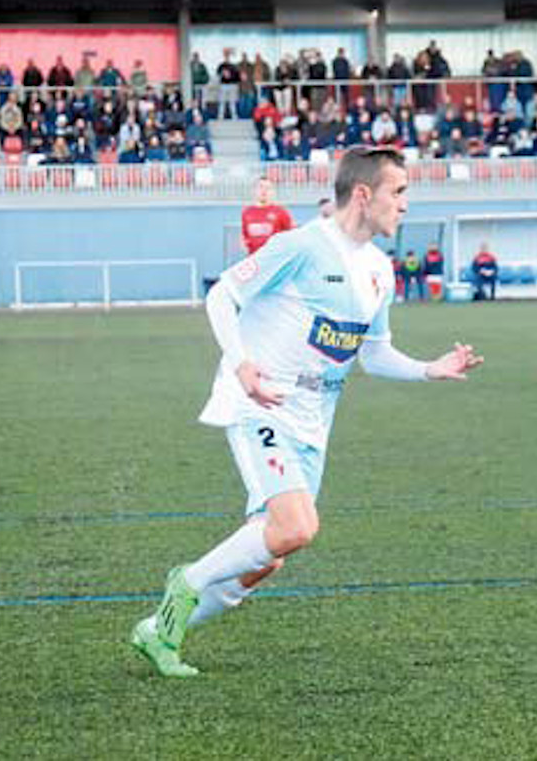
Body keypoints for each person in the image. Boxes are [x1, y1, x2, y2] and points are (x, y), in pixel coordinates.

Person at [130, 147, 484, 677]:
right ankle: (187, 581)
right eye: (398, 192)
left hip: (312, 424)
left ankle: (158, 632)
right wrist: (242, 364)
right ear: (363, 194)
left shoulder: (379, 270)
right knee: (297, 526)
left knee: (268, 556)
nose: (405, 204)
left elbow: (374, 354)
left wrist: (430, 369)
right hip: (259, 405)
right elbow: (222, 296)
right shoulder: (300, 246)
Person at [240, 178, 295, 255]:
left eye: (268, 188)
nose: (264, 191)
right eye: (261, 187)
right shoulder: (247, 212)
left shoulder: (281, 212)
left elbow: (291, 236)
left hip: (275, 257)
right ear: (255, 190)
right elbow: (244, 236)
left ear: (273, 192)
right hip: (255, 258)